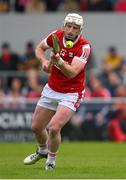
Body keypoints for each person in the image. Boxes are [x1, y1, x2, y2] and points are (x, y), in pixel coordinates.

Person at [23, 13, 91, 170]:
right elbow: (40, 48)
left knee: (53, 128)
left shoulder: (84, 47)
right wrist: (44, 61)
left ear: (80, 30)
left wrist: (59, 61)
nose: (71, 30)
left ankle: (51, 162)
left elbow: (72, 73)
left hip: (72, 92)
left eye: (75, 28)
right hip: (52, 88)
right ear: (64, 25)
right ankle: (42, 151)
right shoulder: (56, 35)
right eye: (69, 26)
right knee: (36, 127)